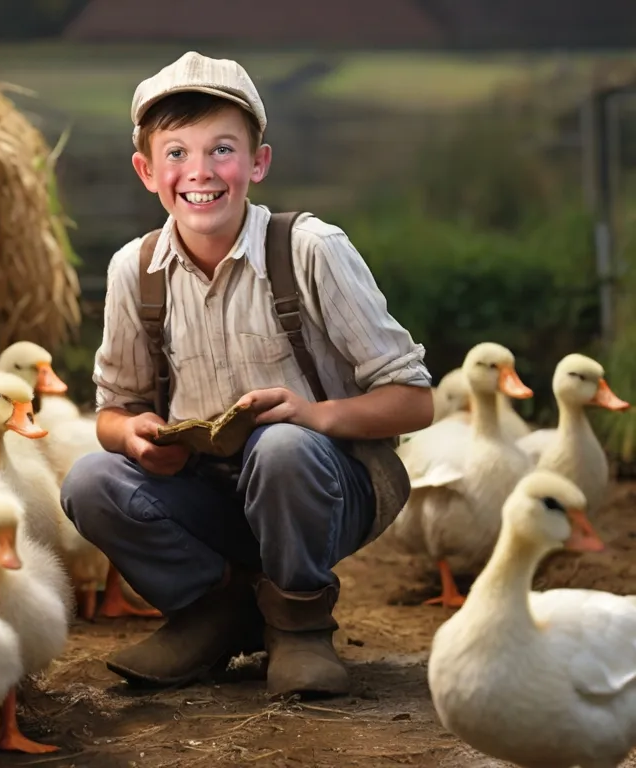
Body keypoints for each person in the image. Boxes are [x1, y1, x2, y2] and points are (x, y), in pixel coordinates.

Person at [60, 51, 433, 698]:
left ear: (258, 163)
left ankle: (300, 622)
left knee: (282, 444)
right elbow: (113, 411)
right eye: (176, 153)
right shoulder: (135, 270)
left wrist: (315, 415)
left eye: (222, 150)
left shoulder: (310, 250)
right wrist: (135, 435)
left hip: (327, 485)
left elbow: (414, 402)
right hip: (209, 491)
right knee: (91, 479)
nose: (199, 173)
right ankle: (214, 613)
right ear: (147, 171)